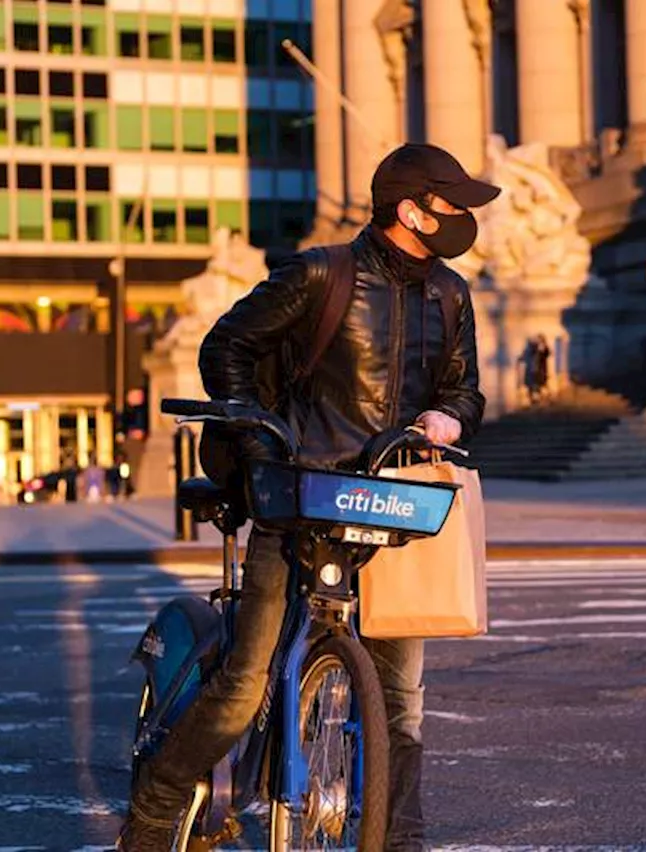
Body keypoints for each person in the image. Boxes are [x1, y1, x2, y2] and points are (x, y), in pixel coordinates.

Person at [118, 142, 498, 852]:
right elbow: (225, 347)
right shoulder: (322, 274)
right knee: (243, 686)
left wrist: (453, 416)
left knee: (400, 703)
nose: (462, 219)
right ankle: (153, 810)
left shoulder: (450, 295)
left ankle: (399, 840)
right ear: (411, 210)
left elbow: (463, 387)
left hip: (393, 504)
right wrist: (259, 437)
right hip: (302, 494)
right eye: (451, 206)